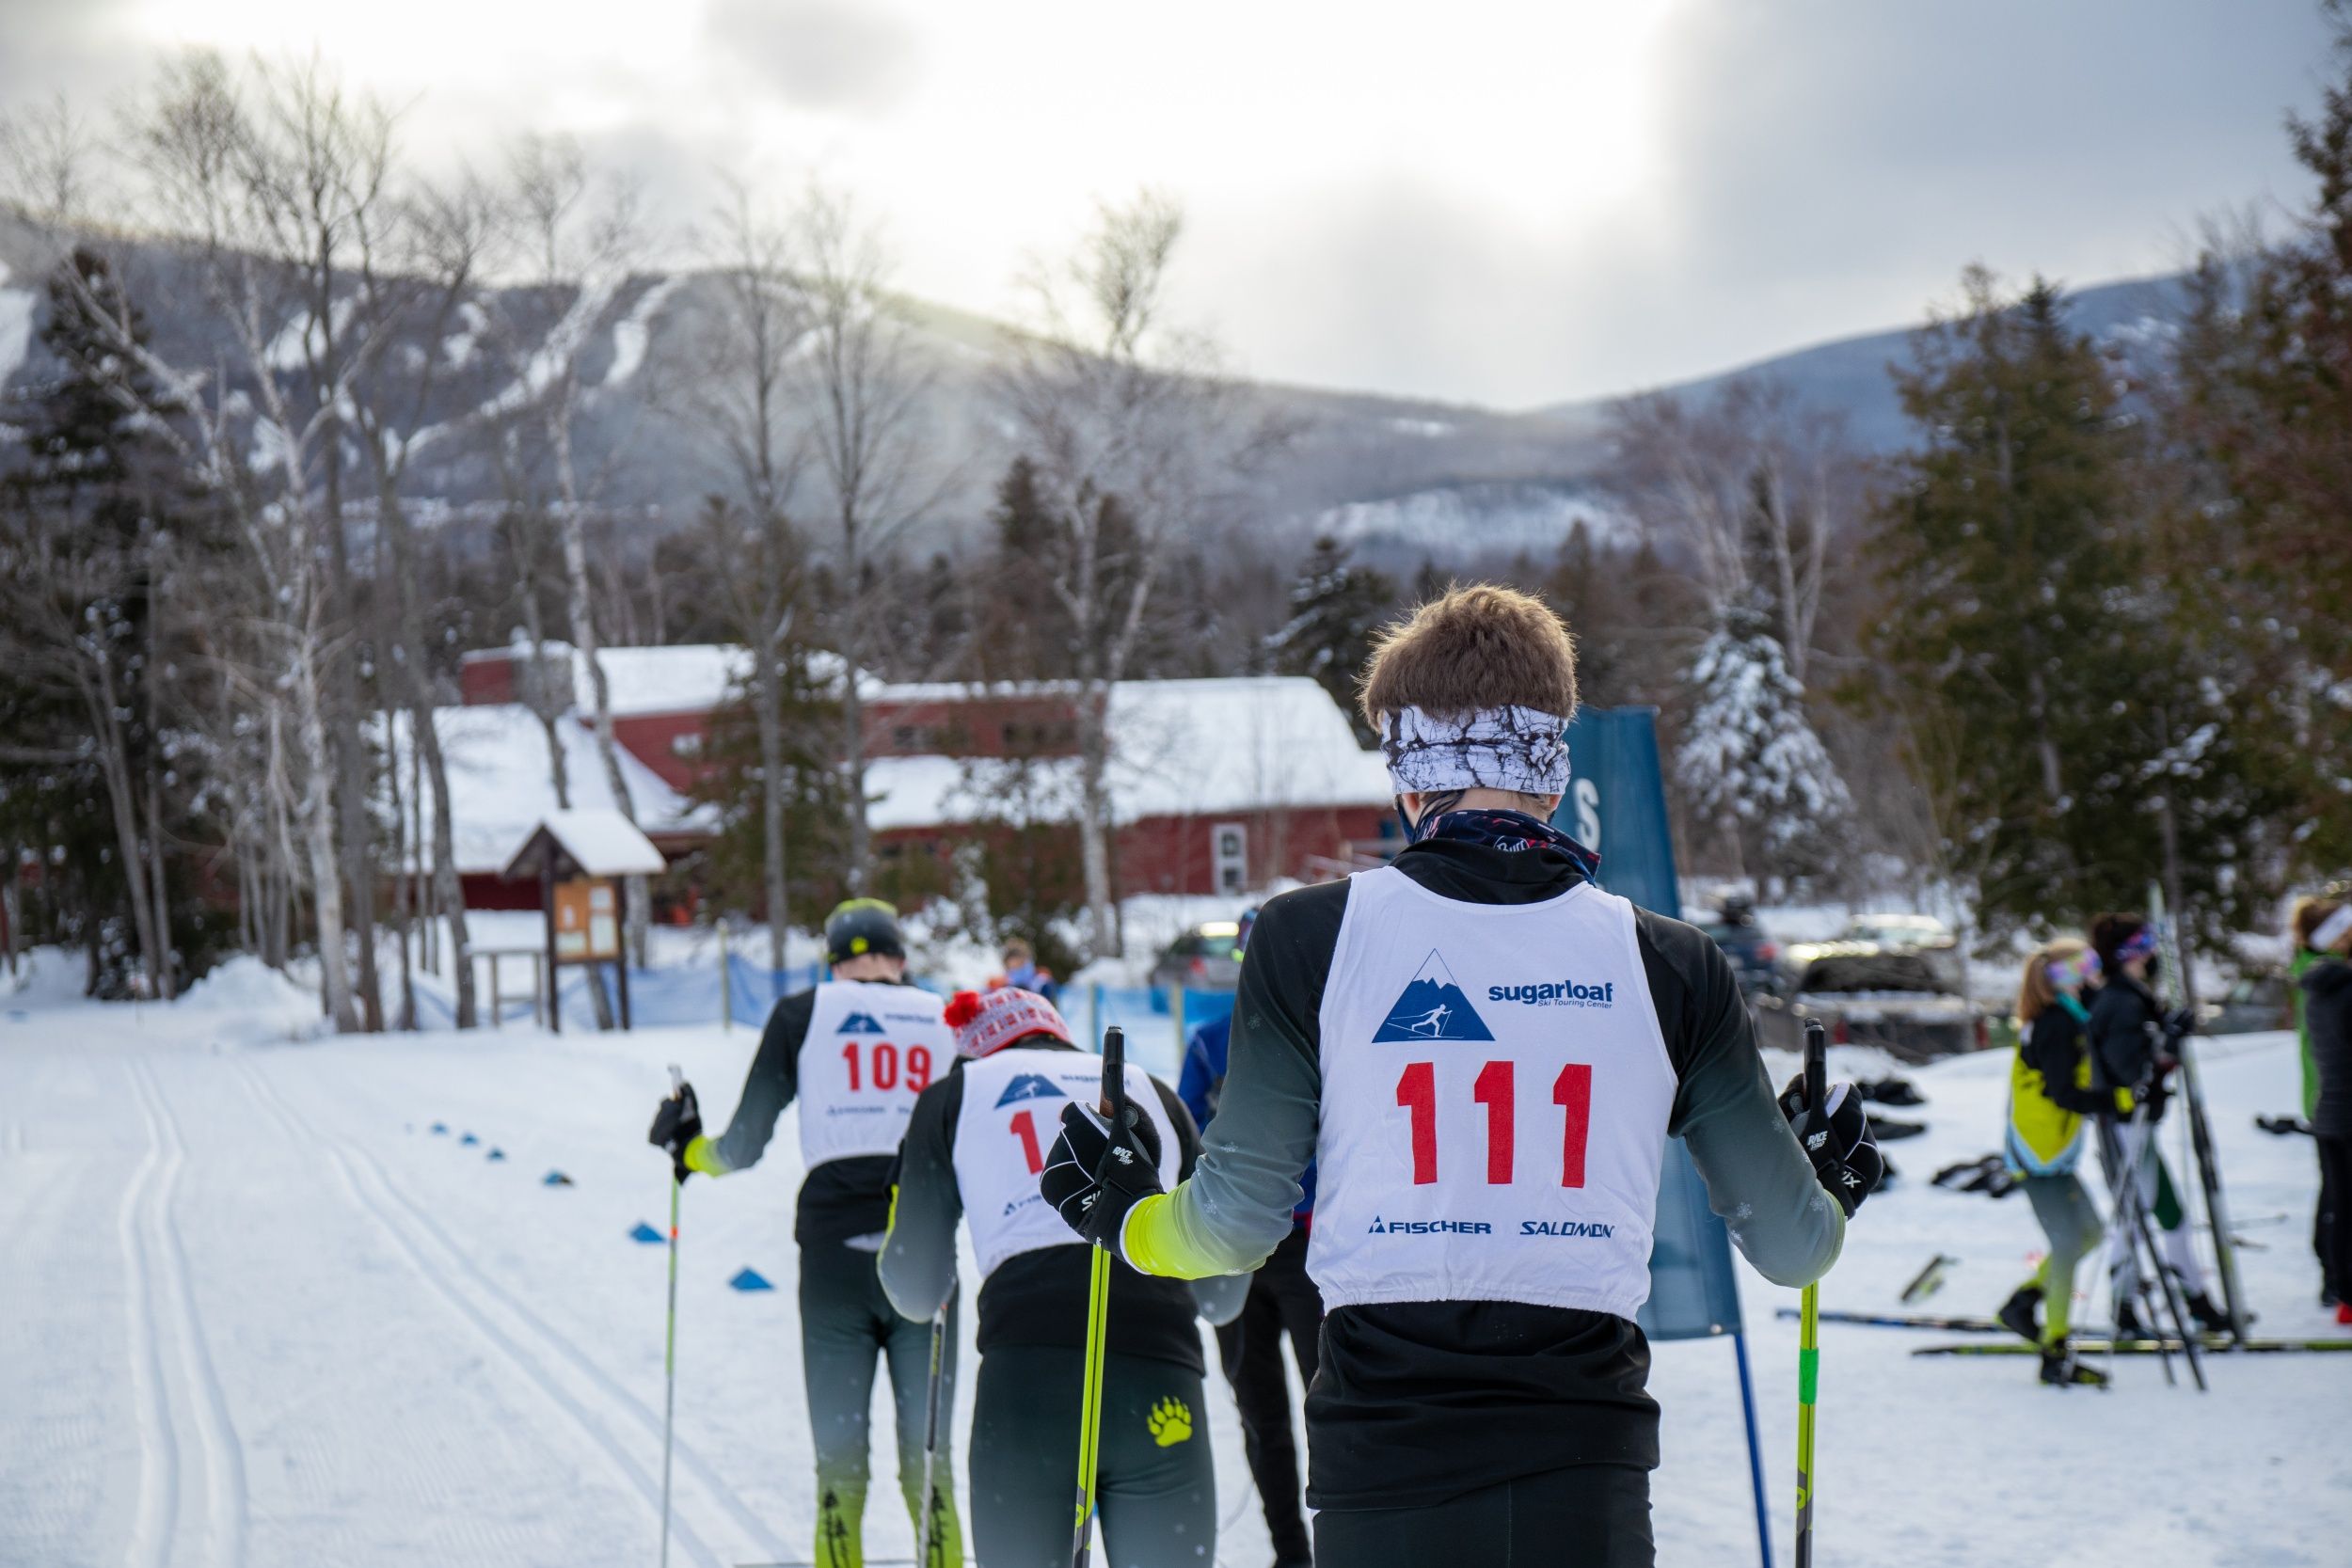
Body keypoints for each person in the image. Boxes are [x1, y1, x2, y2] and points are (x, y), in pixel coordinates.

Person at [1035, 584, 1877, 1568]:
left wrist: (1127, 1213)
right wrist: (1825, 1182)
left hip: (1384, 1464)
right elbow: (1792, 1247)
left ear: (1405, 772)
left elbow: (1229, 1228)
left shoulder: (1311, 935)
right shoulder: (1672, 962)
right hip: (1584, 1463)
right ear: (1551, 770)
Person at [879, 985, 1244, 1568]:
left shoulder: (955, 1094)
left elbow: (915, 1291)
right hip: (1158, 1364)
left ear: (974, 1050)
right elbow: (1222, 1292)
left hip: (1027, 1375)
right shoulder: (1153, 1090)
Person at [648, 899, 962, 1568]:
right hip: (923, 1250)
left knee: (840, 1465)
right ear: (899, 961)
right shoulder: (946, 1016)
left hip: (833, 1255)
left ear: (834, 965)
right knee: (929, 1464)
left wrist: (689, 1149)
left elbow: (741, 1146)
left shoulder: (805, 1012)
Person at [1177, 913, 1321, 1568]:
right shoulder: (1211, 1040)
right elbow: (1182, 1139)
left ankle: (1344, 1543)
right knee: (1261, 1415)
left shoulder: (1334, 1033)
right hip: (1234, 1251)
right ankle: (1291, 1553)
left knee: (1334, 1406)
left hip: (1316, 1249)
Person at [2086, 911, 2228, 1337]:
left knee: (2162, 1217)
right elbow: (2133, 1071)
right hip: (2128, 1126)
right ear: (2129, 952)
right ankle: (2128, 1307)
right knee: (2141, 1217)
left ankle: (2192, 1299)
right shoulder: (2121, 1000)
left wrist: (2163, 1033)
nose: (2151, 953)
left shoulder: (2127, 996)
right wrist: (2165, 1045)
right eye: (2144, 945)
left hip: (2136, 1127)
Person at [1995, 938, 2126, 1386]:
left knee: (2090, 1233)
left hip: (2054, 1154)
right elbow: (2062, 1091)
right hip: (2039, 1157)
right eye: (2082, 965)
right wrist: (2113, 1101)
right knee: (2070, 1244)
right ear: (2061, 976)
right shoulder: (2054, 1024)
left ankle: (2024, 1300)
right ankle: (2054, 1349)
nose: (2092, 971)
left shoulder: (2068, 1014)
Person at [2296, 901, 2352, 1324]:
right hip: (2340, 1108)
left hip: (2328, 1108)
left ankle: (2338, 1283)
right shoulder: (2339, 988)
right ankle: (2340, 1286)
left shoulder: (2318, 985)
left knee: (2337, 1199)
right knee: (2340, 1201)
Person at [995, 937, 1060, 1006]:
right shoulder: (1006, 988)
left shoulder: (1042, 983)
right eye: (1012, 967)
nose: (1015, 969)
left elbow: (1051, 1009)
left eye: (1019, 964)